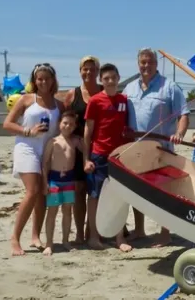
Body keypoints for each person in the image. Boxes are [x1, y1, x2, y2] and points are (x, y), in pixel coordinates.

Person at [124, 47, 190, 246]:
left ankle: (165, 232)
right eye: (143, 62)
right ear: (138, 64)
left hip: (162, 150)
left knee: (164, 192)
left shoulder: (169, 87)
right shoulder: (129, 88)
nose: (146, 66)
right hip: (136, 149)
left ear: (156, 63)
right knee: (137, 192)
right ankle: (140, 229)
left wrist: (179, 134)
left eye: (150, 62)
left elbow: (184, 115)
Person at [3, 63, 63, 256]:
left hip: (45, 152)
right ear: (34, 81)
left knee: (42, 194)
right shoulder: (27, 99)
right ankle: (15, 238)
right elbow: (7, 124)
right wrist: (29, 131)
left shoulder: (59, 104)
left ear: (53, 80)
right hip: (26, 147)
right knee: (32, 191)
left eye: (47, 78)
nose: (43, 81)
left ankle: (35, 235)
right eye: (39, 78)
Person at [84, 63, 131, 252]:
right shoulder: (95, 101)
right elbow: (88, 131)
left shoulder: (124, 100)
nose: (110, 81)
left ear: (118, 78)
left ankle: (120, 237)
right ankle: (93, 236)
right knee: (94, 196)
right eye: (106, 78)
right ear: (101, 81)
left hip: (119, 156)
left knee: (120, 195)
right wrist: (86, 159)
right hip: (99, 155)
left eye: (113, 77)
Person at [63, 55, 102, 244]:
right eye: (85, 69)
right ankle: (79, 233)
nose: (88, 72)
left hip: (101, 149)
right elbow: (65, 123)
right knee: (79, 191)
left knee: (98, 191)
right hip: (78, 150)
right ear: (80, 71)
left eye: (92, 68)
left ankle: (93, 229)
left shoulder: (104, 92)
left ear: (98, 71)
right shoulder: (72, 95)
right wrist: (71, 140)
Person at [42, 110, 80, 256]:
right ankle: (49, 243)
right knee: (52, 212)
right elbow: (45, 163)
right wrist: (45, 182)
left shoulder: (75, 141)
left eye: (71, 124)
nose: (68, 126)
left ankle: (65, 241)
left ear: (75, 126)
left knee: (67, 212)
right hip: (54, 181)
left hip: (69, 181)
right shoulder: (53, 141)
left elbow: (87, 148)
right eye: (65, 123)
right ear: (59, 124)